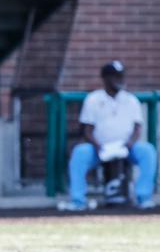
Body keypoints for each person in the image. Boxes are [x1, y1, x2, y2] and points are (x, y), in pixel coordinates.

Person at [61, 60, 157, 211]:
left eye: (121, 76)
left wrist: (130, 143)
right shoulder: (93, 99)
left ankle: (143, 198)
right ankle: (78, 201)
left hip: (126, 147)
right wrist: (98, 146)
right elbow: (87, 130)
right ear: (105, 78)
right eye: (115, 76)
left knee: (148, 151)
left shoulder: (131, 100)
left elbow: (137, 128)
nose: (119, 80)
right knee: (80, 153)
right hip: (100, 147)